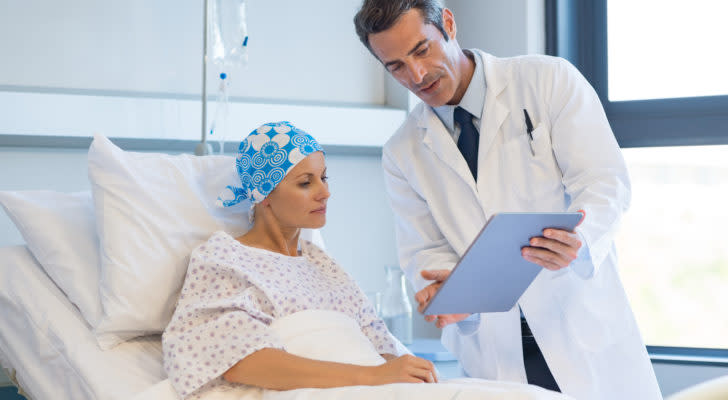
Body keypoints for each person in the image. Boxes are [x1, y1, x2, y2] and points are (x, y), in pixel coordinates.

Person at [353, 1, 662, 399]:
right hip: (492, 351)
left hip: (580, 328)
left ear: (447, 22)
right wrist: (449, 291)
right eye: (395, 66)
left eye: (421, 50)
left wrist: (581, 241)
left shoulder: (547, 80)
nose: (416, 75)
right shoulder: (402, 151)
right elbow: (425, 251)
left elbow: (604, 181)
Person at [162, 121, 569, 400]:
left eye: (324, 178)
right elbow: (240, 361)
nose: (324, 193)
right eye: (305, 183)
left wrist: (402, 368)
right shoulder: (225, 260)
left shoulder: (324, 265)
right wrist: (372, 377)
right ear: (263, 194)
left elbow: (377, 345)